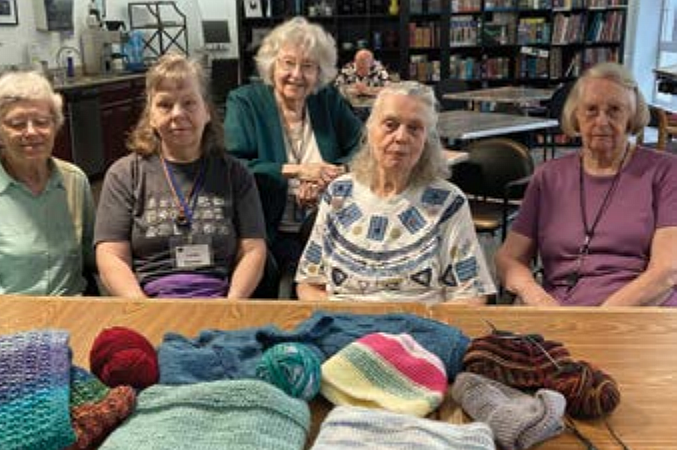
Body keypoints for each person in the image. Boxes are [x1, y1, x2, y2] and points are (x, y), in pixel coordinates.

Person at [295, 81, 496, 303]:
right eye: (390, 124)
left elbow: (471, 295)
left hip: (417, 332)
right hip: (344, 328)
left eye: (414, 128)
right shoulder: (339, 193)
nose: (401, 137)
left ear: (426, 140)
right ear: (369, 130)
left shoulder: (448, 203)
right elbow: (309, 284)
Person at [496, 61, 677, 306]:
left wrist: (599, 319)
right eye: (591, 110)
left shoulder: (665, 172)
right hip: (560, 314)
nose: (601, 121)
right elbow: (509, 258)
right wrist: (535, 295)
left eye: (614, 110)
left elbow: (666, 271)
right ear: (576, 116)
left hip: (640, 314)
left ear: (631, 117)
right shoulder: (548, 177)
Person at [95, 53, 267, 299]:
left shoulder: (235, 173)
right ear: (151, 116)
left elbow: (253, 250)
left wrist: (232, 304)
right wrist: (142, 308)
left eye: (189, 103)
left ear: (206, 112)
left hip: (221, 301)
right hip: (148, 302)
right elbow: (110, 255)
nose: (177, 114)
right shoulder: (124, 175)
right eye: (165, 105)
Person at [224, 16, 363, 278]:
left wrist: (332, 175)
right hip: (269, 230)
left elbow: (365, 146)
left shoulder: (326, 99)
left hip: (333, 224)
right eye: (288, 63)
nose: (297, 75)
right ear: (271, 64)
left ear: (319, 72)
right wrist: (298, 171)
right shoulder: (245, 102)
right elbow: (233, 164)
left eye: (308, 66)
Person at [0, 71, 95, 309]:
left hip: (73, 311)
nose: (31, 132)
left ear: (55, 126)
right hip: (6, 320)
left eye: (41, 122)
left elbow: (92, 256)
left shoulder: (74, 180)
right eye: (17, 124)